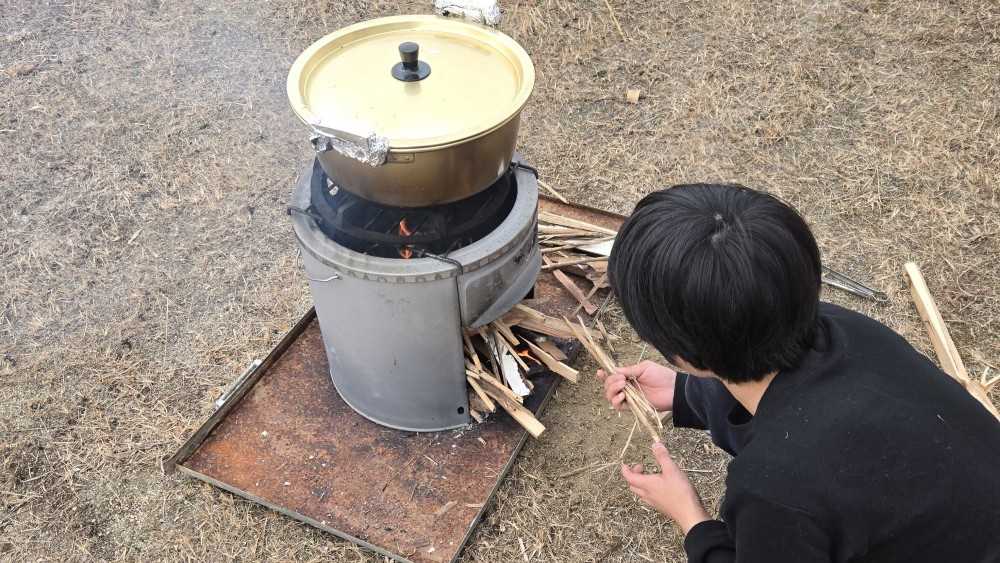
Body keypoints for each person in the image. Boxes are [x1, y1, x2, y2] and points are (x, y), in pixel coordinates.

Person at [597, 184, 1000, 562]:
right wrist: (684, 393)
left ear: (682, 352)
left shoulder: (774, 491)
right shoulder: (844, 328)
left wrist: (693, 521)